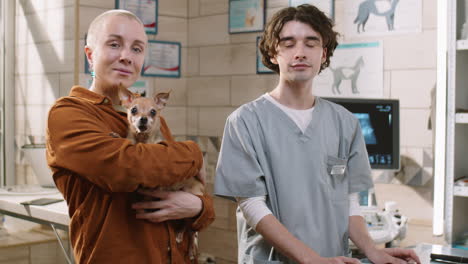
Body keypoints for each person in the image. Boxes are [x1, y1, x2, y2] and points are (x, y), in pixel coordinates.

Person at [214, 4, 420, 264]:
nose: (300, 52)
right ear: (272, 53)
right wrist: (311, 259)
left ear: (324, 54)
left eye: (311, 43)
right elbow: (253, 207)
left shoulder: (345, 123)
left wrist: (373, 251)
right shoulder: (245, 122)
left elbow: (349, 202)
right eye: (288, 44)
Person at [46, 10, 214, 264]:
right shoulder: (69, 113)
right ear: (90, 55)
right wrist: (193, 153)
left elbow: (190, 188)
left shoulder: (153, 119)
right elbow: (131, 167)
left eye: (137, 49)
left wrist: (198, 208)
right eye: (114, 44)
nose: (126, 57)